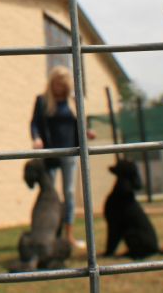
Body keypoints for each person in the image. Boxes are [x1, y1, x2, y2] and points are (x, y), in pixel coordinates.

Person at [30, 65, 96, 250]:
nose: (58, 87)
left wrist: (87, 133)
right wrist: (36, 138)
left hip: (70, 153)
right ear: (51, 83)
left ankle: (69, 236)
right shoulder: (42, 101)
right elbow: (34, 124)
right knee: (49, 195)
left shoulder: (73, 101)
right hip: (50, 154)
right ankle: (49, 234)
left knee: (69, 193)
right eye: (56, 83)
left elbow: (79, 124)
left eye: (62, 83)